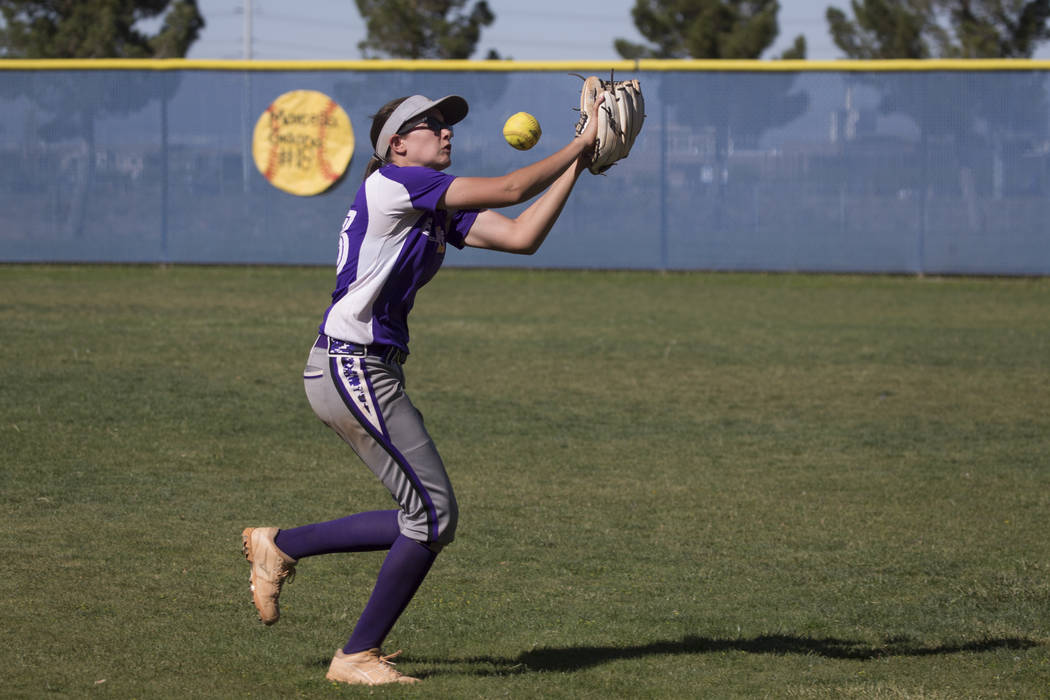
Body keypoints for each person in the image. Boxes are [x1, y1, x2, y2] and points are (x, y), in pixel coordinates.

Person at [241, 89, 604, 687]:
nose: (445, 130)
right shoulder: (393, 185)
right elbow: (513, 187)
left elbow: (520, 235)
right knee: (433, 515)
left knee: (425, 514)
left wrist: (576, 167)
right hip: (350, 362)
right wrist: (581, 140)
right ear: (397, 146)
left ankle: (279, 545)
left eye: (445, 123)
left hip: (365, 367)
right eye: (429, 124)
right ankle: (355, 656)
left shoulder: (431, 203)